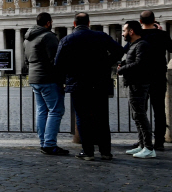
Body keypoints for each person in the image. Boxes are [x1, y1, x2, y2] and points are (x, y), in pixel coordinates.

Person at [55, 13, 123, 161]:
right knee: (102, 118)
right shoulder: (101, 36)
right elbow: (119, 50)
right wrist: (106, 62)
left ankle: (88, 152)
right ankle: (105, 152)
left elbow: (58, 63)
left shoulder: (67, 39)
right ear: (89, 23)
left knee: (82, 118)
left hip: (78, 84)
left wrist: (70, 71)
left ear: (74, 24)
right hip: (100, 82)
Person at [24, 12, 68, 156]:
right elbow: (56, 61)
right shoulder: (48, 36)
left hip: (34, 78)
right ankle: (49, 144)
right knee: (56, 110)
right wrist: (62, 80)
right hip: (48, 78)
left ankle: (43, 142)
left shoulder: (27, 39)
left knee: (42, 110)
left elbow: (26, 61)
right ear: (48, 23)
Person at [118, 21, 156, 158]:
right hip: (135, 83)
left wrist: (122, 69)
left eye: (124, 30)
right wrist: (123, 64)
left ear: (131, 31)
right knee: (137, 116)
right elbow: (133, 61)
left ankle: (149, 148)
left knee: (140, 116)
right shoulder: (135, 45)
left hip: (139, 84)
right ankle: (142, 145)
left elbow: (140, 64)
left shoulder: (142, 45)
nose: (122, 33)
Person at [138, 11, 172, 151]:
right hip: (158, 76)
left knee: (141, 111)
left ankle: (143, 141)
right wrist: (160, 32)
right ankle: (159, 142)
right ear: (155, 20)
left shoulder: (138, 36)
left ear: (140, 21)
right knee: (159, 111)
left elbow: (127, 50)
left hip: (141, 77)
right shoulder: (162, 35)